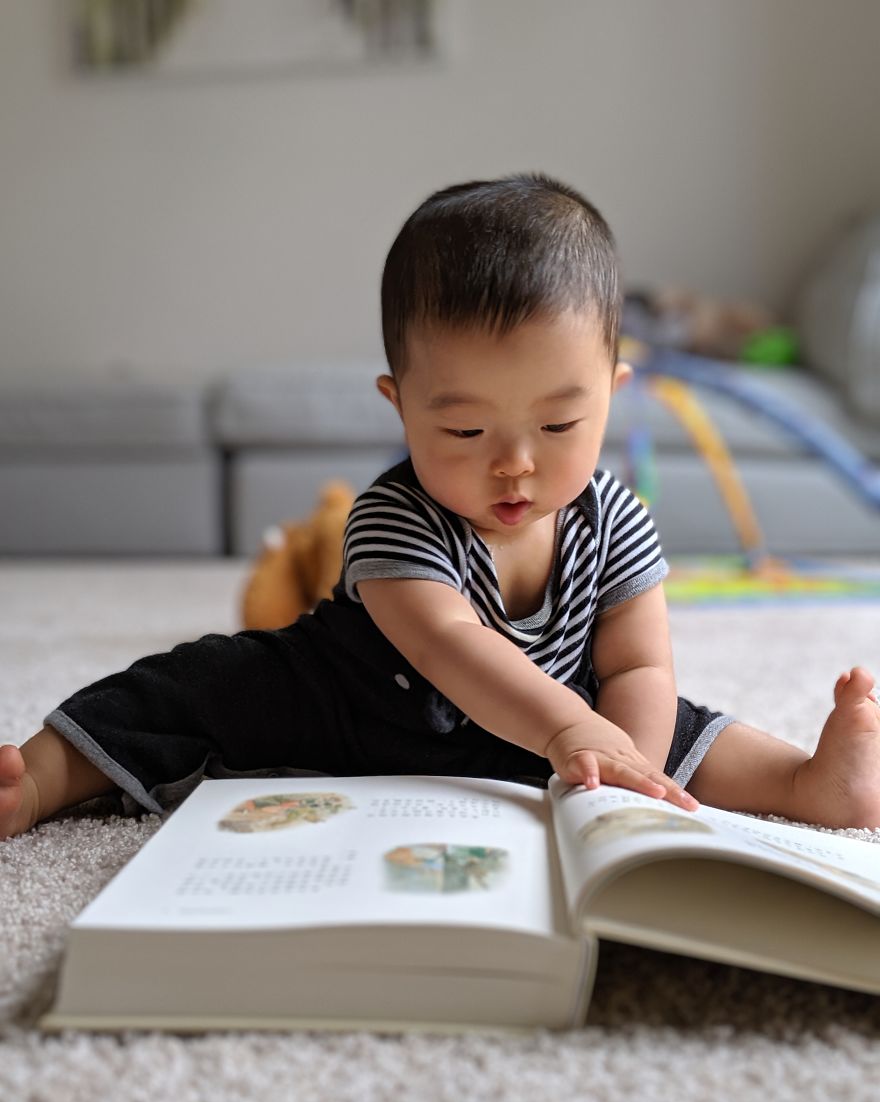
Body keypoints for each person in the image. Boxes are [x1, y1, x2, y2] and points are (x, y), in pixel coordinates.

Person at [2, 173, 878, 841]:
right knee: (197, 684)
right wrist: (571, 726)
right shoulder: (394, 516)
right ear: (401, 407)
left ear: (613, 396)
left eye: (558, 424)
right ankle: (43, 776)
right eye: (463, 430)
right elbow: (448, 645)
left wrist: (626, 768)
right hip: (360, 708)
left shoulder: (617, 521)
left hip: (548, 727)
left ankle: (810, 783)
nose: (514, 464)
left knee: (686, 727)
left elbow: (640, 665)